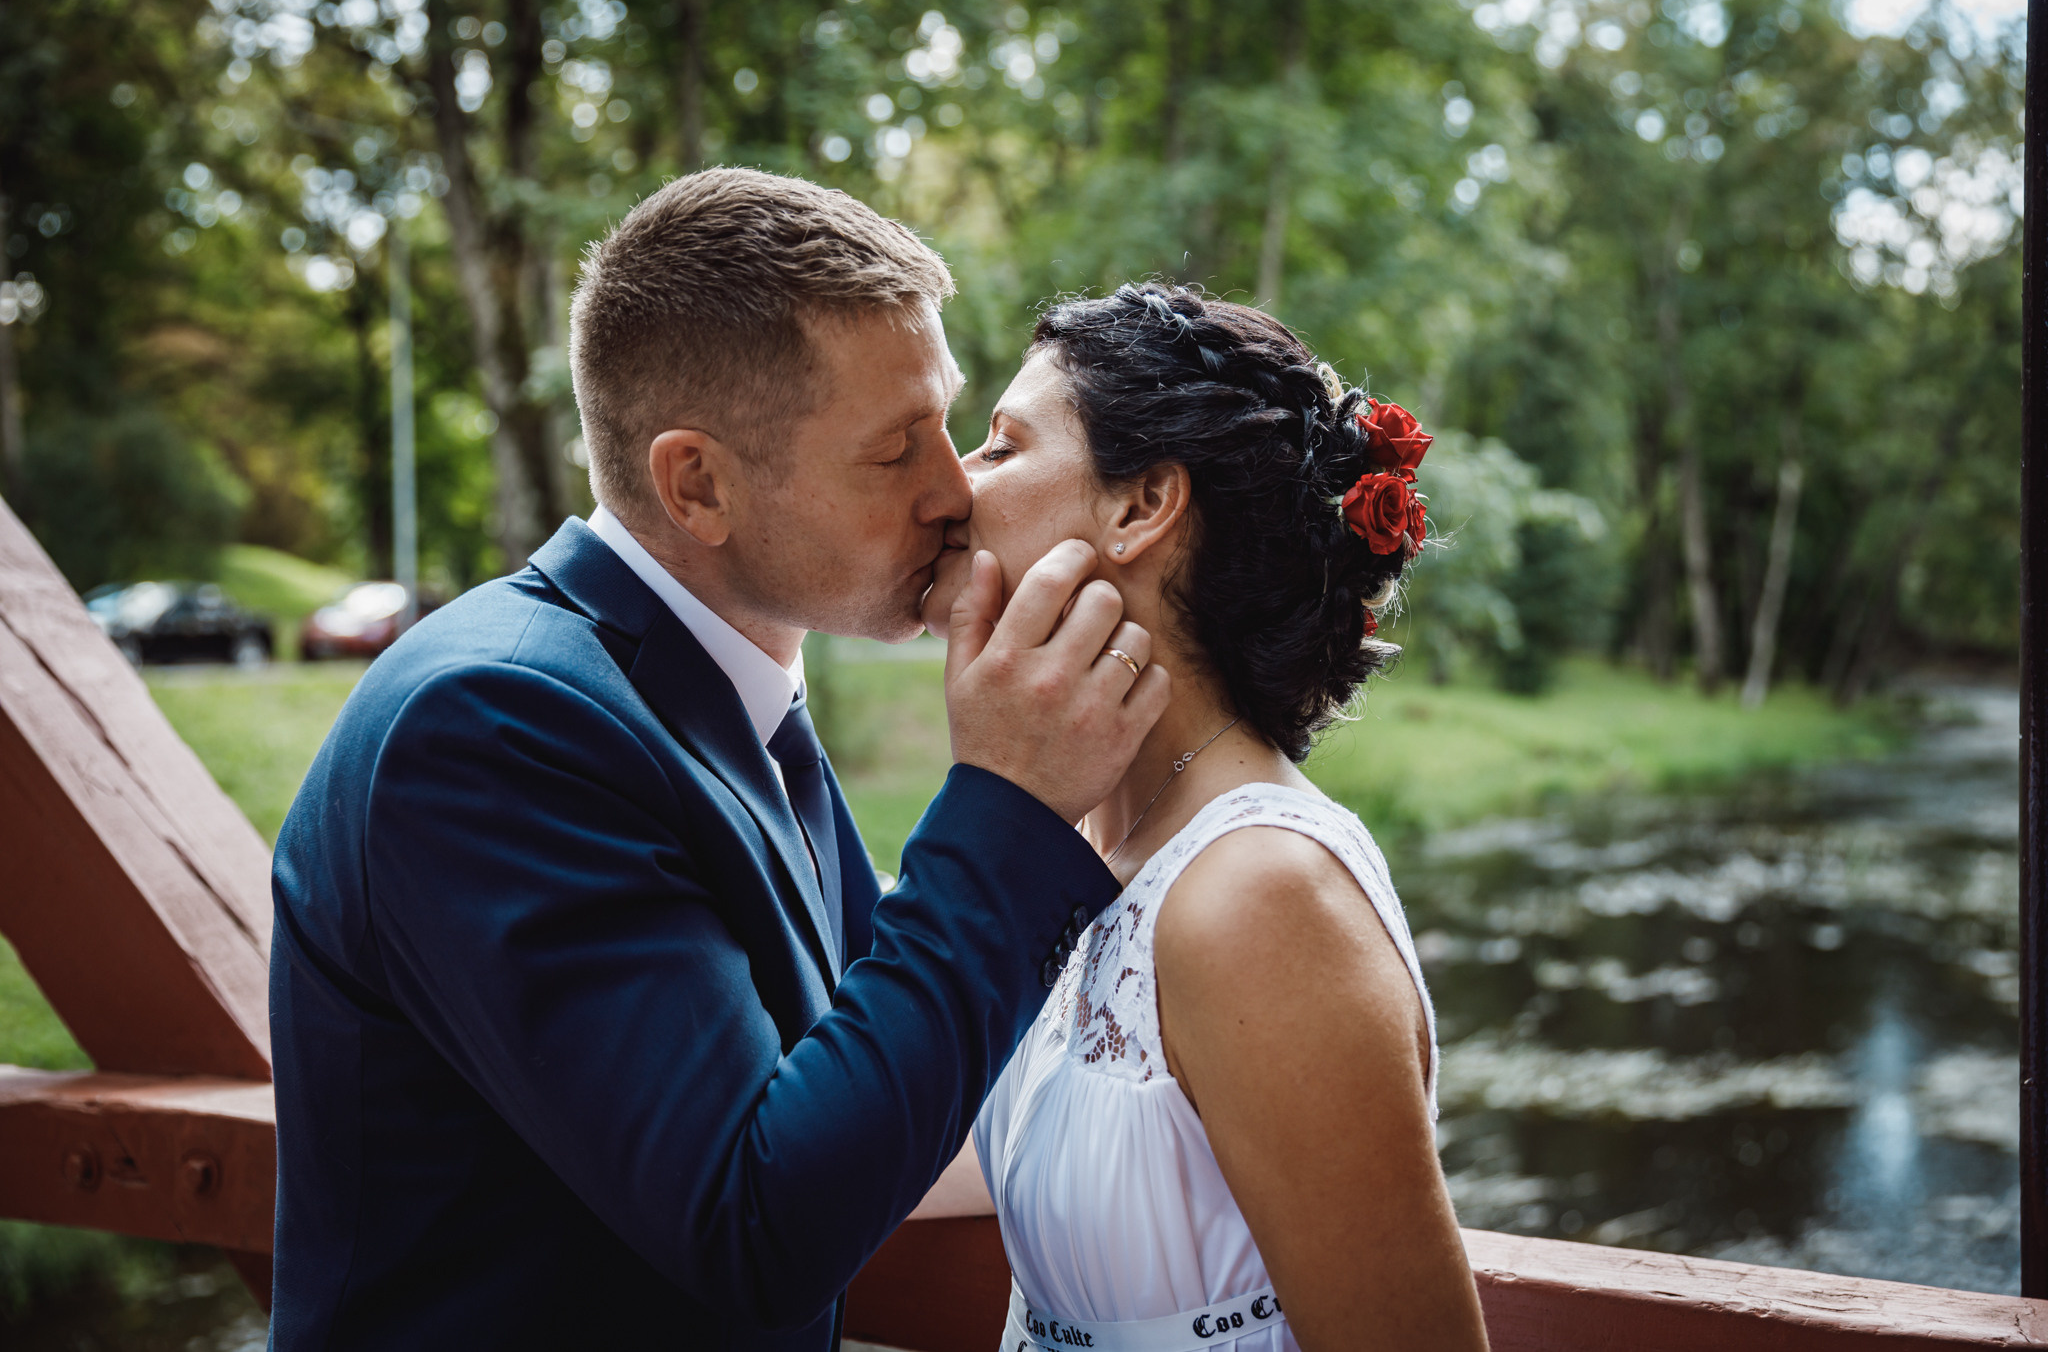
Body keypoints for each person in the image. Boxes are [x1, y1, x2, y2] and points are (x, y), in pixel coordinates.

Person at [265, 170, 1168, 1349]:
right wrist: (1005, 805)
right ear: (697, 484)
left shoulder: (719, 697)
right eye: (895, 448)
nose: (955, 491)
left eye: (946, 424)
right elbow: (759, 1227)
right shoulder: (493, 726)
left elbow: (876, 1082)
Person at [919, 284, 1491, 1351]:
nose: (951, 481)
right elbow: (902, 1148)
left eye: (1000, 446)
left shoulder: (1257, 895)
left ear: (1142, 507)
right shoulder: (1088, 842)